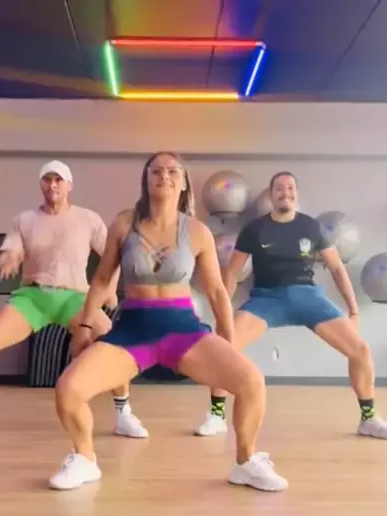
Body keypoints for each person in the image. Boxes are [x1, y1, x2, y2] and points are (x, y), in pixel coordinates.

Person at [48, 151, 288, 493]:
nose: (165, 176)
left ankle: (246, 462)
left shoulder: (197, 232)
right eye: (156, 171)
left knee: (251, 382)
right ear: (146, 180)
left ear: (184, 182)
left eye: (173, 171)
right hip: (132, 330)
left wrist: (229, 339)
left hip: (183, 330)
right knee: (69, 389)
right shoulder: (124, 224)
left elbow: (217, 292)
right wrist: (85, 326)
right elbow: (101, 280)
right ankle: (85, 459)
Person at [0, 160, 147, 440]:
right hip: (33, 297)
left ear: (69, 186)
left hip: (74, 297)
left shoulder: (87, 218)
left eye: (58, 180)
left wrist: (110, 289)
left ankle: (124, 415)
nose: (52, 185)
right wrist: (9, 257)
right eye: (47, 180)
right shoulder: (24, 220)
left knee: (116, 345)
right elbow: (12, 249)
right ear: (41, 184)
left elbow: (114, 256)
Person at [194, 171, 387, 439]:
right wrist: (222, 312)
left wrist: (353, 310)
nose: (285, 193)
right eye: (279, 189)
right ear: (271, 195)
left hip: (308, 297)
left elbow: (336, 269)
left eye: (290, 188)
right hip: (267, 299)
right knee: (224, 347)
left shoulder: (311, 227)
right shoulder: (255, 229)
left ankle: (368, 419)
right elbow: (233, 274)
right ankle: (217, 415)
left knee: (361, 350)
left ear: (296, 193)